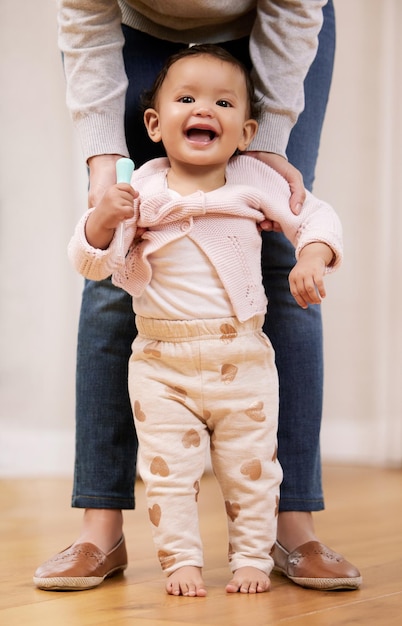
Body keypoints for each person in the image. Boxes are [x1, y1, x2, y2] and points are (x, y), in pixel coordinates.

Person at [34, 0, 362, 592]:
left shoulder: (254, 166)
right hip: (162, 363)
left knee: (279, 253)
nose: (204, 110)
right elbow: (93, 261)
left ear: (246, 127)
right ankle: (100, 529)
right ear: (155, 123)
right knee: (114, 290)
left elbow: (309, 218)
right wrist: (101, 216)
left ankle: (292, 528)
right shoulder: (149, 189)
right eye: (186, 102)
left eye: (220, 106)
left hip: (273, 25)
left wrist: (313, 249)